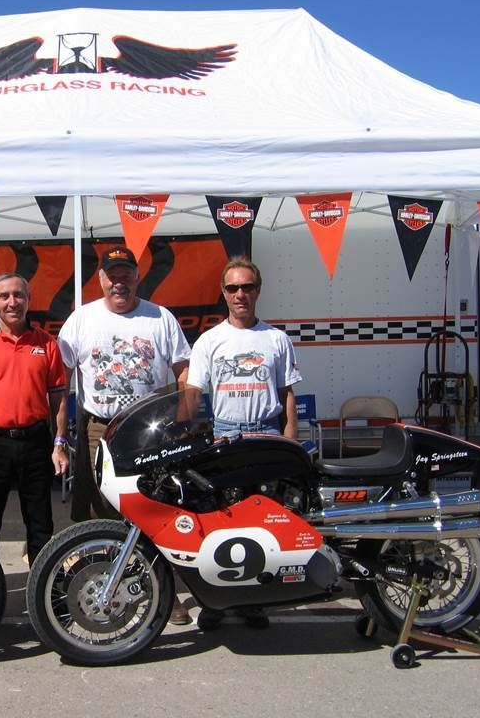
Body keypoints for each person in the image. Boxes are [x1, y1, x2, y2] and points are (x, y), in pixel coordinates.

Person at [57, 245, 192, 625]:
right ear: (100, 279)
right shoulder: (81, 320)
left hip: (150, 431)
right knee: (99, 511)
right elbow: (60, 381)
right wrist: (60, 435)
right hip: (98, 428)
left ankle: (165, 591)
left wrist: (180, 420)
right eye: (111, 275)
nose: (119, 282)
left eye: (125, 274)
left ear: (137, 276)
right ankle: (98, 585)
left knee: (154, 509)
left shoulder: (160, 318)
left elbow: (184, 371)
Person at [186, 255, 303, 630]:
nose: (240, 294)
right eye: (233, 288)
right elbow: (191, 394)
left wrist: (290, 442)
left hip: (266, 433)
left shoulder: (276, 339)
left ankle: (255, 601)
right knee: (221, 521)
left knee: (262, 522)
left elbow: (287, 396)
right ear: (223, 293)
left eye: (247, 287)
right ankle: (218, 602)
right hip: (225, 434)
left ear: (258, 291)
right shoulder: (209, 340)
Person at [0, 272, 69, 566]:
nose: (12, 302)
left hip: (35, 442)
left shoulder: (47, 343)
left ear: (29, 300)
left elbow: (58, 399)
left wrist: (58, 443)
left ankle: (44, 592)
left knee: (41, 521)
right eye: (4, 296)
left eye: (19, 295)